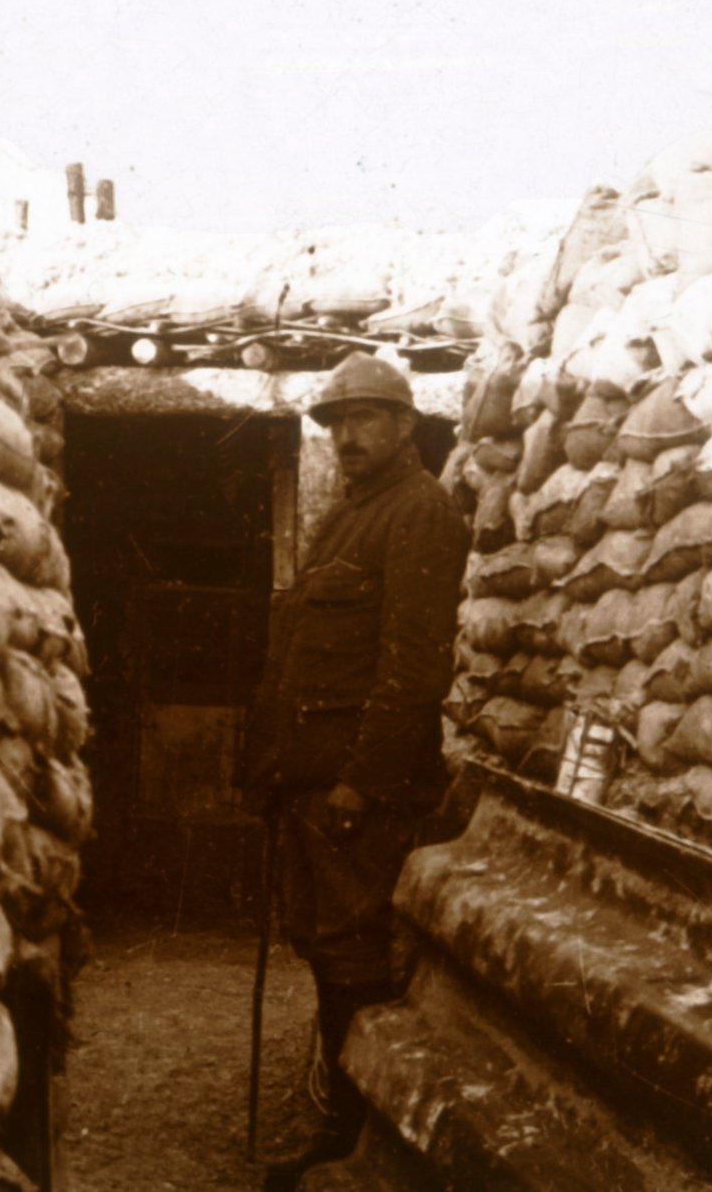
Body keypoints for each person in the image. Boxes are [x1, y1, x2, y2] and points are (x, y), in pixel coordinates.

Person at [244, 353, 470, 1191]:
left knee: (357, 959)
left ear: (404, 425)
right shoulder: (347, 515)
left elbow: (412, 668)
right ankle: (341, 1126)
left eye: (363, 419)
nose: (344, 436)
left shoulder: (418, 513)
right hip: (312, 785)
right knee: (327, 950)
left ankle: (359, 1140)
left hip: (357, 794)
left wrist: (362, 782)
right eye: (335, 423)